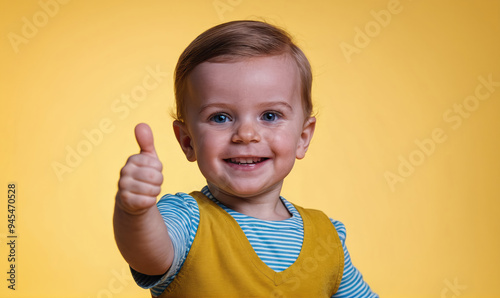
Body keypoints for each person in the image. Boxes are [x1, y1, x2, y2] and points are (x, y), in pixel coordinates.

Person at [114, 20, 379, 297]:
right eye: (220, 117)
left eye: (270, 116)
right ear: (188, 141)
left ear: (303, 137)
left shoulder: (328, 239)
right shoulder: (186, 220)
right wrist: (135, 212)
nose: (246, 134)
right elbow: (148, 256)